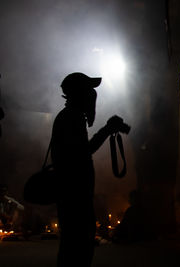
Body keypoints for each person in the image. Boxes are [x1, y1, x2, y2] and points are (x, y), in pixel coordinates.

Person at [51, 72, 129, 267]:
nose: (92, 96)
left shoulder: (71, 116)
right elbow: (82, 152)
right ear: (79, 94)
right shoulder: (71, 118)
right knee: (76, 249)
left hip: (73, 193)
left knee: (74, 247)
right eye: (88, 91)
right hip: (74, 194)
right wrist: (106, 130)